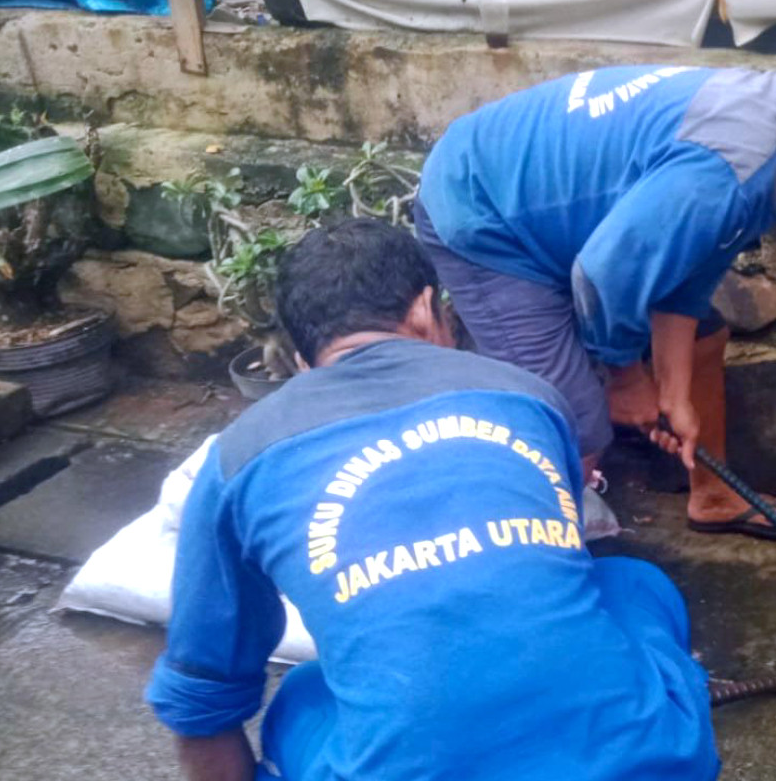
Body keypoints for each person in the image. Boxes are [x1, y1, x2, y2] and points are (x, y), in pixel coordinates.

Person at [144, 218, 719, 781]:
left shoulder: (239, 455)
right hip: (646, 763)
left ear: (302, 364)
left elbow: (201, 699)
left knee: (299, 697)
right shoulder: (526, 395)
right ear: (427, 310)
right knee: (635, 587)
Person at [415, 30, 776, 541]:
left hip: (565, 218)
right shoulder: (730, 167)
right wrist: (627, 379)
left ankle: (715, 496)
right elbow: (604, 275)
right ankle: (530, 560)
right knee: (575, 424)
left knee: (705, 338)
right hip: (486, 214)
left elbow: (684, 274)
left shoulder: (775, 131)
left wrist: (672, 395)